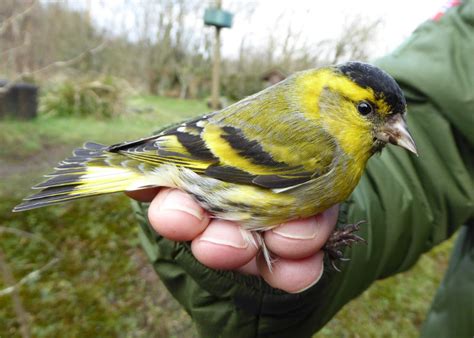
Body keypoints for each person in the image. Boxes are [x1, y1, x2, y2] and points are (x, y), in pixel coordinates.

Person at [129, 1, 474, 337]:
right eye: (367, 110)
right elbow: (445, 136)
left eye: (397, 121)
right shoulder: (315, 146)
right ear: (327, 98)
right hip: (193, 170)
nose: (396, 131)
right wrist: (257, 290)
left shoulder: (338, 148)